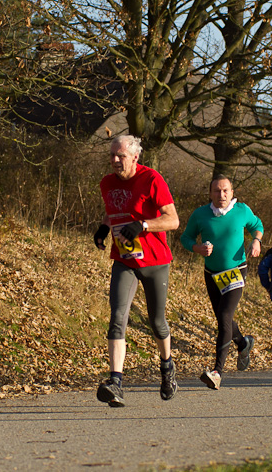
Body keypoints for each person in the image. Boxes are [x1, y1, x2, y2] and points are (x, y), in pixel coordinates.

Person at [92, 135, 180, 407]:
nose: (115, 161)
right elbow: (115, 210)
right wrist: (105, 227)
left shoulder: (152, 179)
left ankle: (167, 366)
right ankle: (116, 382)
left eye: (120, 156)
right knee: (117, 317)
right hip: (125, 259)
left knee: (157, 322)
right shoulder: (106, 183)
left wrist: (143, 226)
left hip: (155, 261)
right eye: (112, 156)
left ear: (135, 157)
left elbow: (173, 220)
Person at [180, 175, 262, 390]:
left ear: (232, 193)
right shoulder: (200, 214)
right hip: (212, 273)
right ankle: (243, 343)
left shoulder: (242, 210)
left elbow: (257, 224)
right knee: (223, 318)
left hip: (236, 270)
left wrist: (256, 241)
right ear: (210, 194)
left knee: (225, 316)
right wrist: (196, 248)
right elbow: (185, 238)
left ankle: (217, 371)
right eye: (217, 191)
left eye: (225, 190)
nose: (221, 195)